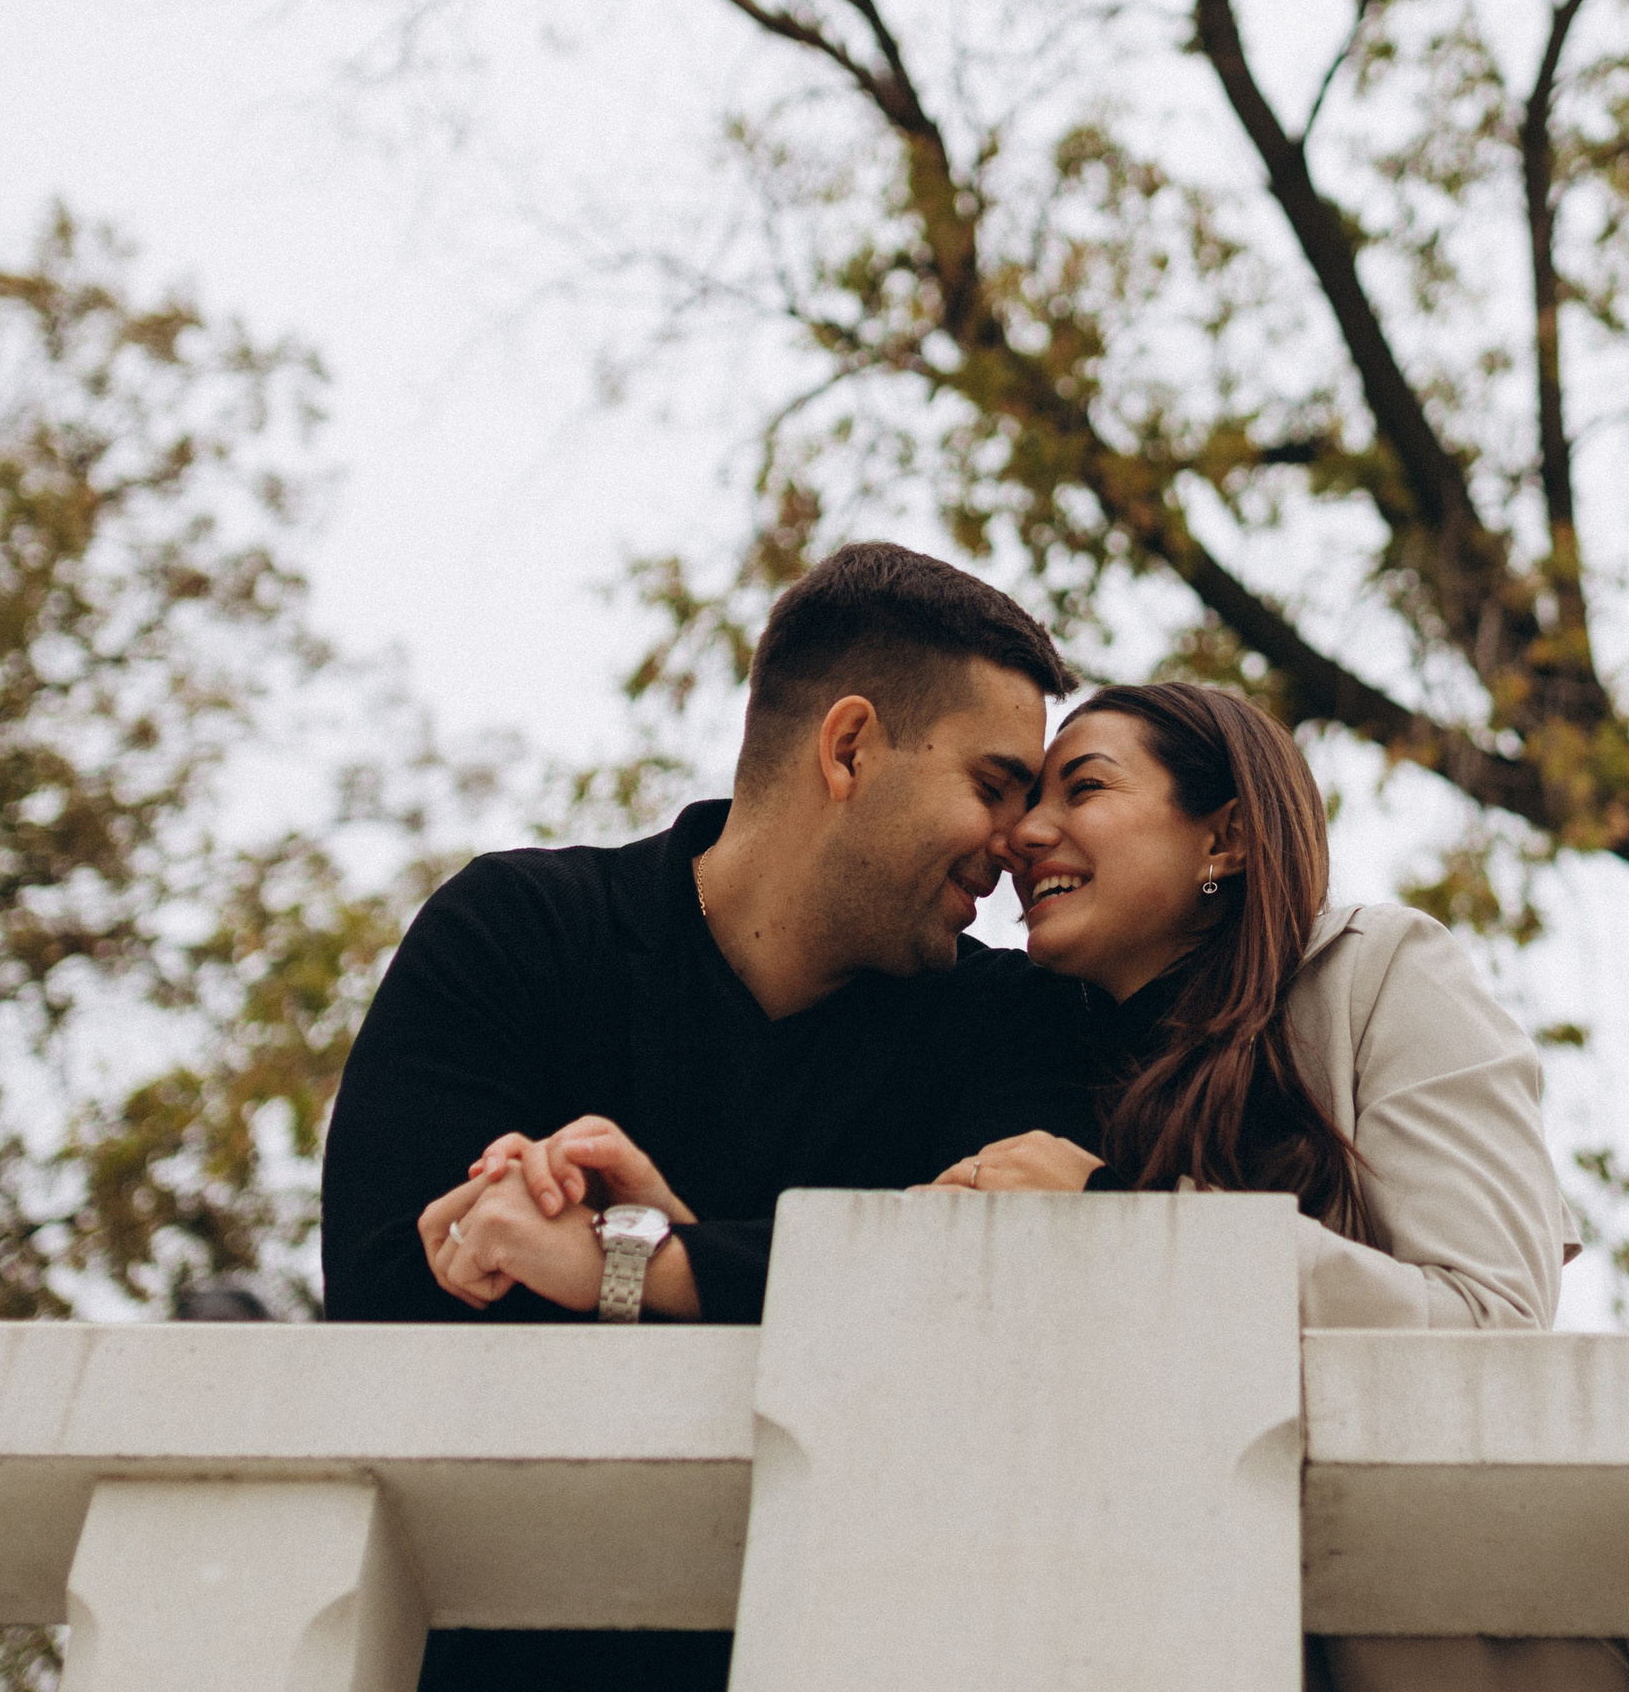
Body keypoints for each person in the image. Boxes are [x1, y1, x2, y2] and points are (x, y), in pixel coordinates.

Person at [320, 540, 1089, 1692]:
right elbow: (390, 1311)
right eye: (991, 785)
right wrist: (778, 1292)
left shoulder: (1014, 1026)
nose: (1020, 841)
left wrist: (635, 1255)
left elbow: (996, 1331)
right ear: (848, 745)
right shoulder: (519, 931)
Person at [935, 681, 1629, 1692]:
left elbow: (1489, 1324)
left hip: (1446, 1644)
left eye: (1085, 786)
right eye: (1024, 798)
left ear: (1226, 837)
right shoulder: (1026, 1056)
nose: (1026, 831)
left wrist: (1127, 1223)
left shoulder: (1377, 973)